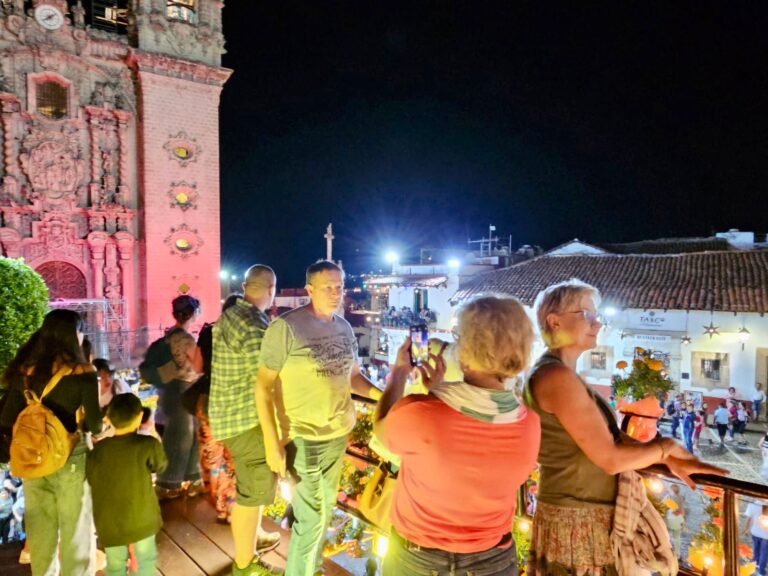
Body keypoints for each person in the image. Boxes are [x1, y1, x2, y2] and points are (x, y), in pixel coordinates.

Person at [524, 280, 725, 576]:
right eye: (586, 314)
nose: (597, 323)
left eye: (597, 315)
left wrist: (663, 457)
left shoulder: (560, 373)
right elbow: (610, 459)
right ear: (554, 321)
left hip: (582, 513)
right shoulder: (555, 377)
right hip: (576, 519)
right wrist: (664, 448)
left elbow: (611, 439)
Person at [374, 294, 540, 575]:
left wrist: (401, 372)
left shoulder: (423, 414)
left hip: (418, 560)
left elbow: (381, 429)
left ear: (466, 352)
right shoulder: (529, 423)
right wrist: (437, 392)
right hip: (493, 561)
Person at [257, 260, 380, 576]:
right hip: (302, 437)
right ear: (309, 289)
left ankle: (309, 569)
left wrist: (386, 396)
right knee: (310, 518)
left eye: (340, 286)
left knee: (322, 515)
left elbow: (353, 377)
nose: (336, 293)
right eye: (328, 287)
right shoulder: (286, 327)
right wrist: (273, 444)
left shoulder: (344, 326)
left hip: (337, 435)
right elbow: (263, 387)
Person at [0, 309, 103, 576]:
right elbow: (95, 425)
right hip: (71, 457)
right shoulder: (83, 373)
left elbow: (8, 416)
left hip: (32, 456)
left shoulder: (25, 371)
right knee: (75, 528)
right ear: (73, 335)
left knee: (41, 526)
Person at [209, 267, 282, 574]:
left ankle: (253, 540)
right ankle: (245, 565)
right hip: (246, 420)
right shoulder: (254, 324)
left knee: (251, 491)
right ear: (271, 288)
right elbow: (266, 380)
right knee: (251, 497)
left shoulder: (231, 315)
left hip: (227, 416)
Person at [86, 393, 168, 576]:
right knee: (144, 562)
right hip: (142, 518)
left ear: (109, 419)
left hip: (110, 523)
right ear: (140, 417)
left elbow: (91, 476)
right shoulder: (148, 445)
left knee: (115, 566)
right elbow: (160, 465)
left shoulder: (99, 450)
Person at [140, 295, 204, 499]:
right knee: (181, 438)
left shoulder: (170, 336)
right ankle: (169, 484)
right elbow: (199, 366)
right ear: (193, 314)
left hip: (171, 391)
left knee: (187, 435)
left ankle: (186, 479)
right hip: (182, 392)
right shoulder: (185, 339)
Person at [196, 294, 240, 524]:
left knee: (213, 459)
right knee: (232, 459)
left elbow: (196, 366)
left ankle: (219, 507)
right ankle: (232, 510)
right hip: (232, 404)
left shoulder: (208, 331)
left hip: (207, 402)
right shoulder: (242, 335)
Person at [744, 501, 768, 576]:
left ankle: (753, 568)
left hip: (755, 533)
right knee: (764, 554)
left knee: (756, 551)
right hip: (766, 536)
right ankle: (761, 572)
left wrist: (746, 529)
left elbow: (748, 519)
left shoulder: (752, 504)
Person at [664, 484, 687, 559]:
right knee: (676, 538)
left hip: (670, 518)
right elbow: (683, 511)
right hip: (678, 519)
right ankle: (677, 554)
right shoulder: (681, 498)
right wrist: (683, 522)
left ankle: (666, 550)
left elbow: (662, 504)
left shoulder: (669, 496)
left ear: (671, 489)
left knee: (666, 535)